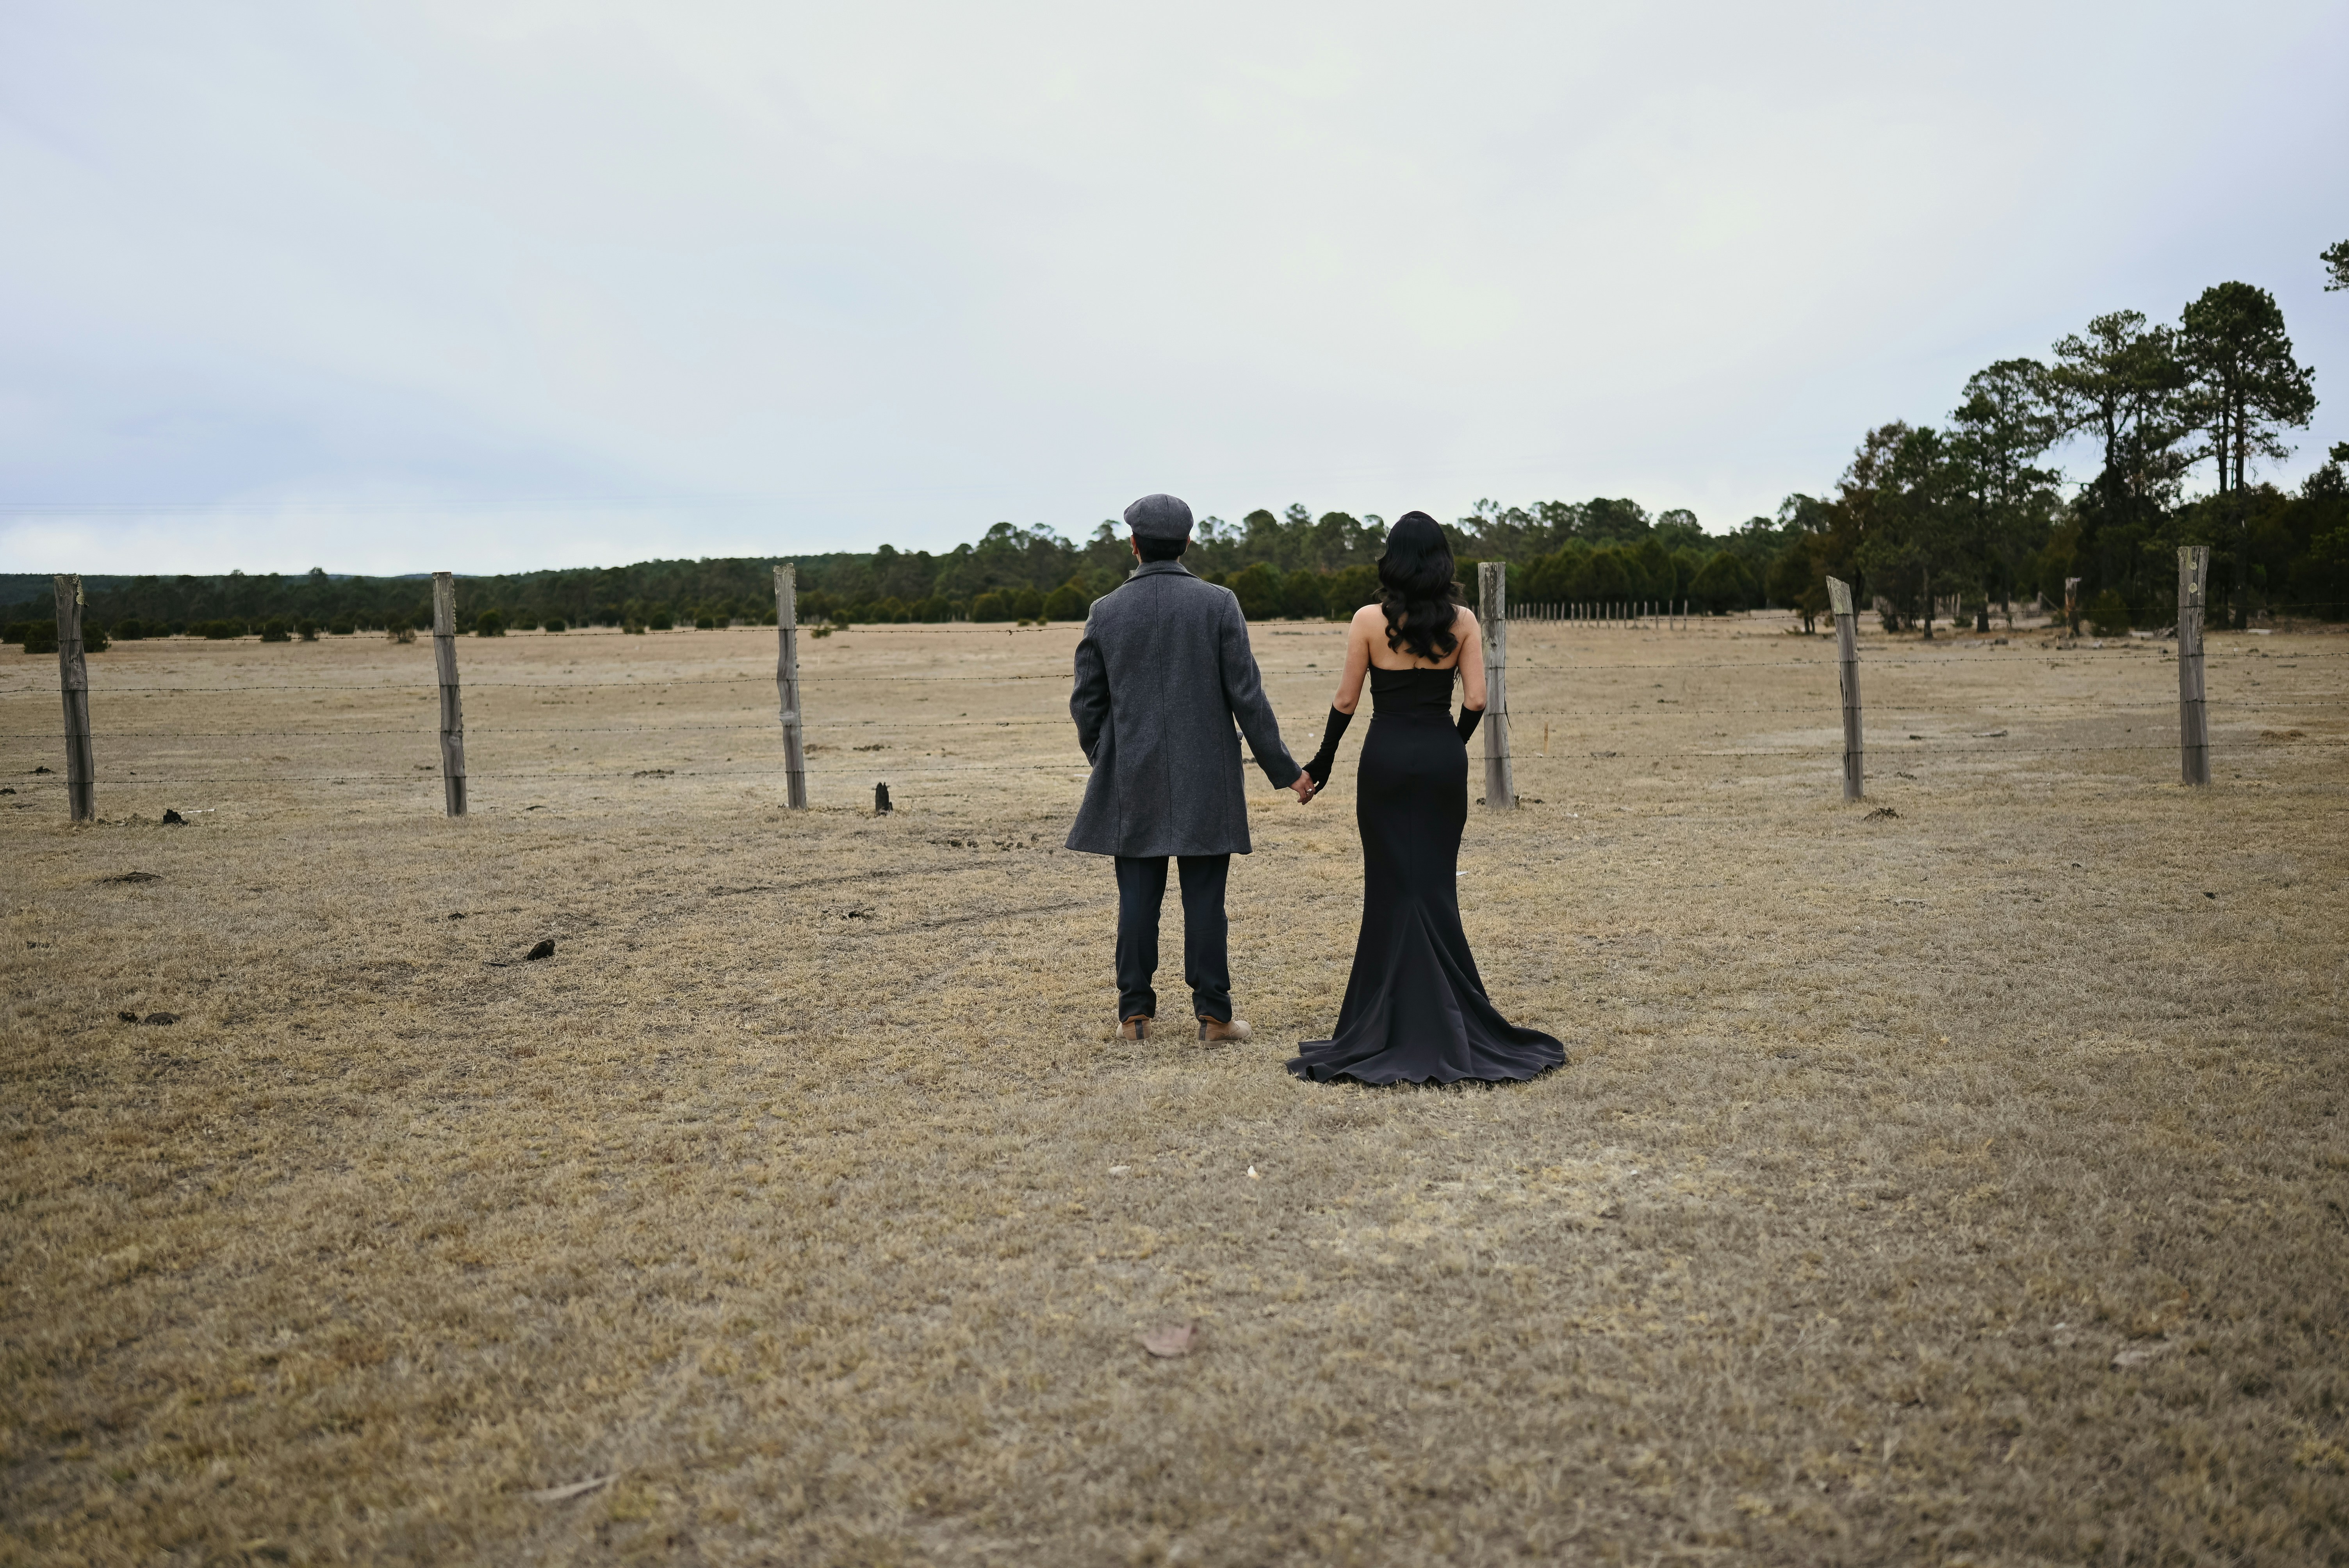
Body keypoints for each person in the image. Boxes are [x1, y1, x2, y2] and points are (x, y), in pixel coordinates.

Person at [1286, 512, 1565, 1085]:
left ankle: (1381, 1017)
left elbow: (1345, 702)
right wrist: (1449, 745)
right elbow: (1480, 700)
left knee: (1389, 888)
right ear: (1443, 560)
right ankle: (1450, 1013)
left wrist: (1323, 763)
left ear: (1391, 559)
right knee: (1434, 885)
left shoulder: (1367, 620)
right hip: (1440, 757)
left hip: (1384, 756)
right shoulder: (1463, 621)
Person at [1067, 493, 1313, 1042]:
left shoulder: (1105, 612)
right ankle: (1215, 1017)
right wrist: (1287, 771)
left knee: (1136, 900)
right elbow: (1248, 698)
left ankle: (1134, 1017)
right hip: (1209, 778)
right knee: (1206, 901)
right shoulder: (1219, 604)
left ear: (1133, 546)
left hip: (1132, 778)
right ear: (1187, 543)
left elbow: (1086, 703)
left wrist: (1107, 759)